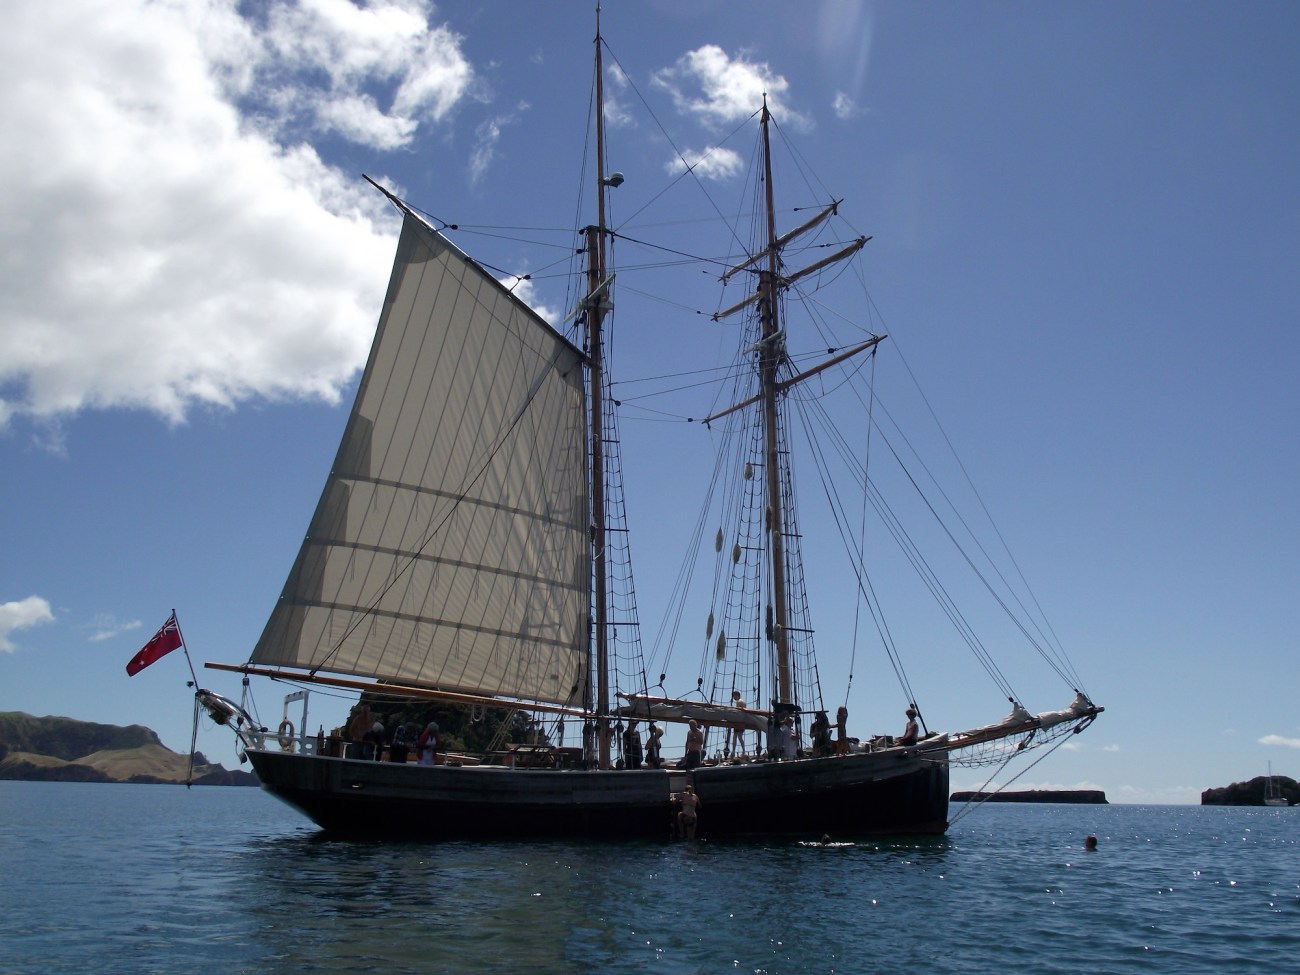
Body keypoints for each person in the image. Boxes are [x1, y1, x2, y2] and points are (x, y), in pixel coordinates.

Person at [726, 690, 746, 758]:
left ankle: (734, 751)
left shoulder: (739, 701)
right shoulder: (742, 701)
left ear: (736, 695)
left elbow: (737, 712)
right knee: (739, 736)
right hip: (742, 721)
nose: (733, 697)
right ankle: (743, 751)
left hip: (738, 721)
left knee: (735, 736)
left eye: (734, 696)